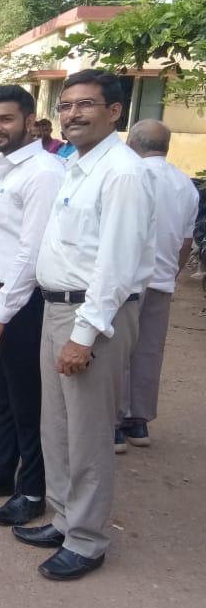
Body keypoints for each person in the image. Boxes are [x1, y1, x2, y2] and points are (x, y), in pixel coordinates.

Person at [13, 69, 155, 581]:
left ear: (115, 111)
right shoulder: (77, 165)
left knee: (89, 434)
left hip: (92, 316)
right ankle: (65, 518)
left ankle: (88, 540)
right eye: (67, 104)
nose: (72, 114)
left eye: (85, 104)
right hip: (58, 308)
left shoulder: (122, 173)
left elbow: (116, 265)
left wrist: (84, 335)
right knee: (58, 426)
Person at [0, 85, 64, 527]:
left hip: (21, 304)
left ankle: (33, 490)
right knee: (1, 398)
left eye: (6, 119)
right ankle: (1, 472)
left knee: (28, 402)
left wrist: (0, 313)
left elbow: (31, 252)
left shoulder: (44, 172)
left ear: (30, 120)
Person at [114, 119, 198, 451]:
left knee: (118, 350)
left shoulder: (130, 175)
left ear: (131, 142)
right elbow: (186, 243)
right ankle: (138, 422)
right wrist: (171, 274)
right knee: (148, 351)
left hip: (127, 279)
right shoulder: (184, 184)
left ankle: (114, 422)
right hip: (162, 278)